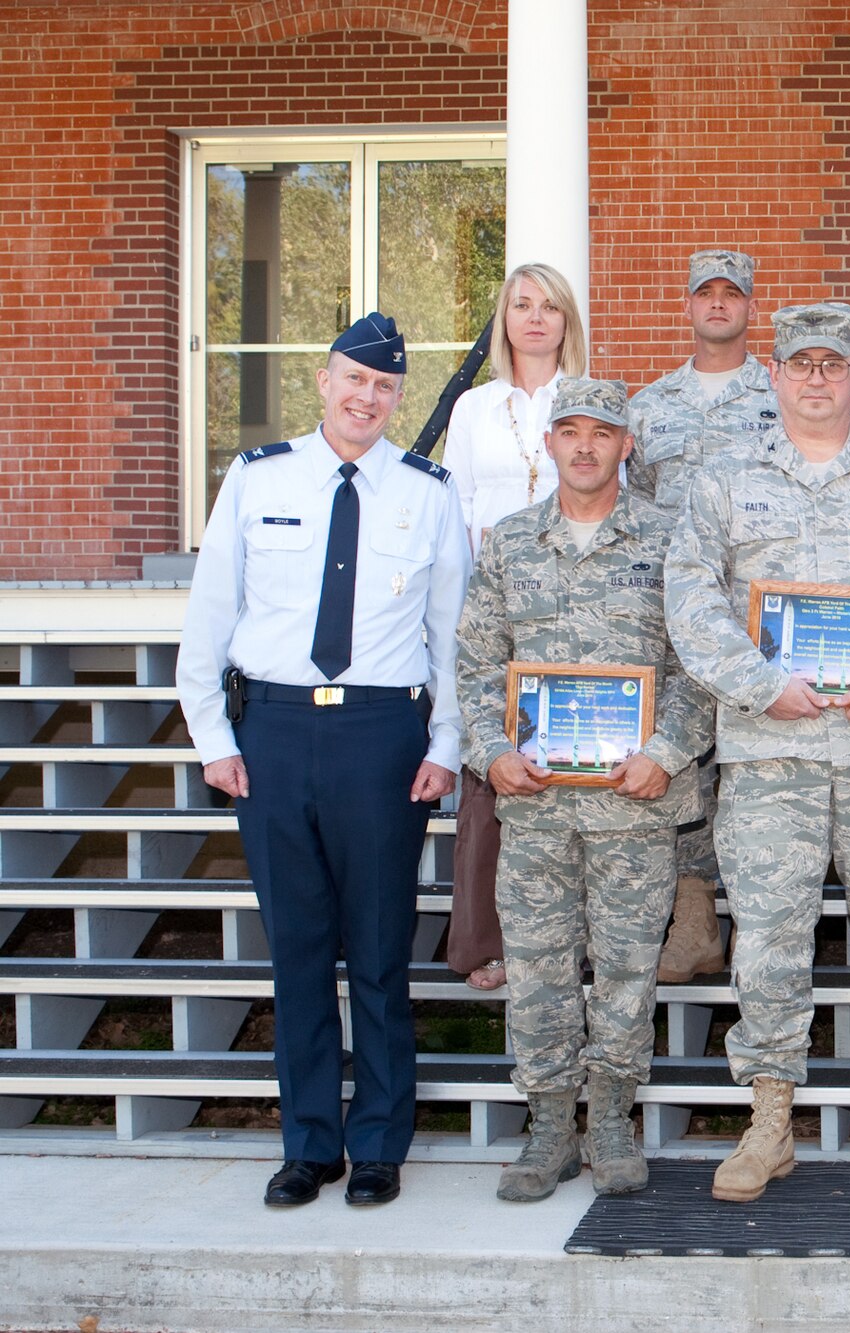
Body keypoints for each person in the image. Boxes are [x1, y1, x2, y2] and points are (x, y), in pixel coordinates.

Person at [664, 302, 850, 1203]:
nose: (815, 377)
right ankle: (769, 1121)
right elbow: (689, 598)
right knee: (767, 940)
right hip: (770, 752)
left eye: (831, 364)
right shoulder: (725, 480)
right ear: (776, 374)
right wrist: (760, 682)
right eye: (799, 363)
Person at [177, 313, 466, 1208]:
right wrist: (212, 738)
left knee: (379, 952)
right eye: (353, 380)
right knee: (297, 952)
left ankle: (378, 1142)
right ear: (322, 379)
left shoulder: (428, 491)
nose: (367, 398)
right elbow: (210, 609)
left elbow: (452, 632)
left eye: (384, 387)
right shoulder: (258, 476)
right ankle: (310, 1143)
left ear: (397, 397)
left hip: (382, 738)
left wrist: (448, 743)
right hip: (272, 730)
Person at [455, 377, 712, 1202]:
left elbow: (699, 665)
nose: (586, 445)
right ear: (551, 443)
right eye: (570, 430)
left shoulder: (673, 540)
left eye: (603, 431)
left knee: (630, 970)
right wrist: (493, 749)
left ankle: (608, 1119)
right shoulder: (511, 541)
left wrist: (667, 751)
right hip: (533, 803)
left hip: (635, 803)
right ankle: (546, 1128)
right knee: (536, 970)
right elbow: (474, 662)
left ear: (626, 444)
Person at [629, 249, 780, 988]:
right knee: (684, 767)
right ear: (687, 305)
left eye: (732, 293)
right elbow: (635, 509)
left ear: (751, 306)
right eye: (706, 293)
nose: (718, 304)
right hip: (680, 618)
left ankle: (765, 927)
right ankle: (693, 920)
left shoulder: (781, 394)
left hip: (764, 619)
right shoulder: (650, 406)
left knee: (758, 775)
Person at [438, 262, 587, 994]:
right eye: (521, 305)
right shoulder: (472, 409)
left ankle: (574, 939)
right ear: (504, 319)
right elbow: (454, 509)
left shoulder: (587, 400)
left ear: (567, 320)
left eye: (549, 306)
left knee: (572, 768)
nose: (535, 318)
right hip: (493, 608)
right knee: (493, 775)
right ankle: (488, 943)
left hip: (573, 606)